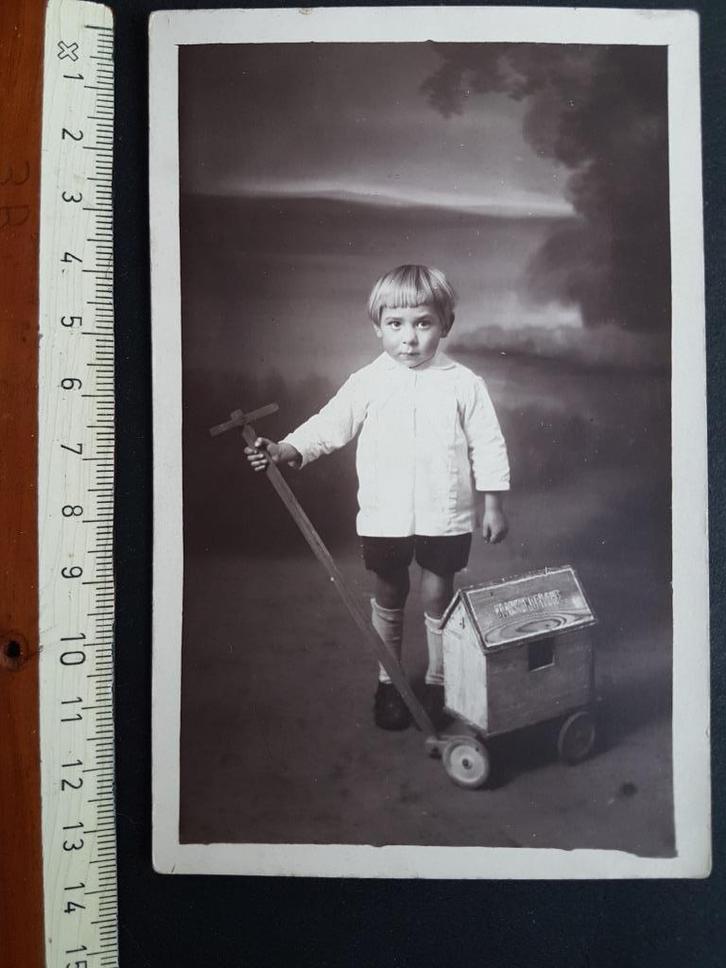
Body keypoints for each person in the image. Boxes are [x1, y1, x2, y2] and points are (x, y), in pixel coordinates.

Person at [245, 264, 510, 730]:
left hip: (444, 512)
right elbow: (331, 425)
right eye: (396, 324)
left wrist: (493, 503)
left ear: (445, 324)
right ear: (377, 327)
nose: (409, 339)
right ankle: (390, 683)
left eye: (423, 323)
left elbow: (487, 443)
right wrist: (287, 447)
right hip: (384, 515)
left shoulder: (464, 384)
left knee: (438, 591)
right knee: (389, 589)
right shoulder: (368, 380)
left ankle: (437, 680)